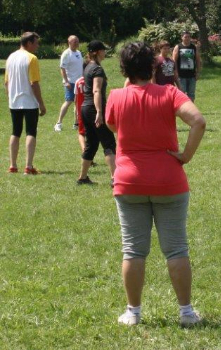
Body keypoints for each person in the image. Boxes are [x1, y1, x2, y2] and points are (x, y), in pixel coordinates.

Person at [106, 42, 206, 327]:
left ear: (124, 69)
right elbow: (198, 122)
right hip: (169, 181)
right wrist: (185, 155)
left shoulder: (116, 96)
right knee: (176, 249)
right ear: (153, 66)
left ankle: (133, 313)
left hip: (129, 182)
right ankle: (186, 312)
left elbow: (114, 126)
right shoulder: (169, 92)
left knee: (133, 250)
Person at [4, 32, 46, 174]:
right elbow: (34, 83)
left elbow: (6, 83)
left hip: (14, 102)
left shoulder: (10, 57)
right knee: (31, 132)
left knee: (15, 132)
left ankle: (13, 165)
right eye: (36, 43)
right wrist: (41, 104)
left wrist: (10, 98)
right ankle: (28, 166)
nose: (37, 46)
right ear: (28, 43)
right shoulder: (31, 58)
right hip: (29, 101)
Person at [77, 40, 116, 185]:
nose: (105, 52)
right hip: (94, 109)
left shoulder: (88, 67)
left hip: (85, 108)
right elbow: (96, 90)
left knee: (91, 144)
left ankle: (82, 178)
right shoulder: (97, 70)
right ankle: (115, 179)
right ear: (98, 52)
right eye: (103, 50)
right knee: (109, 143)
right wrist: (99, 112)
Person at [55, 35, 83, 131]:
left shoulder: (78, 53)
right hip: (70, 82)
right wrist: (66, 81)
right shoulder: (66, 54)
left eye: (77, 41)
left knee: (77, 103)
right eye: (75, 42)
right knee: (68, 101)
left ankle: (76, 123)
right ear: (69, 42)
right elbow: (62, 68)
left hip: (79, 82)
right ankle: (58, 123)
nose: (77, 43)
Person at [173, 32, 201, 101]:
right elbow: (174, 61)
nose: (187, 38)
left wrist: (198, 72)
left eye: (188, 37)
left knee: (191, 94)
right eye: (185, 37)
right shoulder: (178, 47)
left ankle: (191, 107)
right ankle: (181, 107)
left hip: (192, 75)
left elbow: (198, 60)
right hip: (181, 76)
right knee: (181, 93)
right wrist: (176, 72)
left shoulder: (193, 47)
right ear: (182, 38)